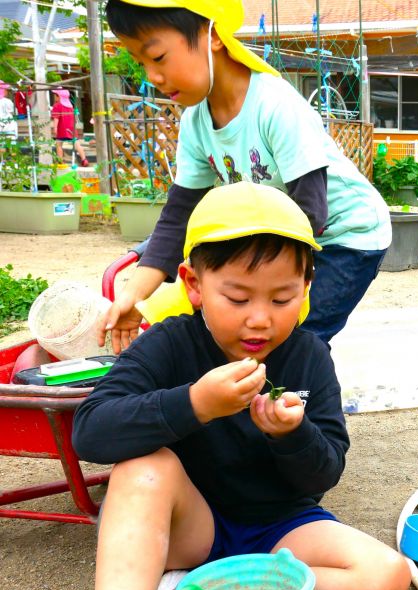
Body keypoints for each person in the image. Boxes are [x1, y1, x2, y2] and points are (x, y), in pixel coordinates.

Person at [19, 182, 411, 590]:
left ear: (307, 287)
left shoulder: (308, 354)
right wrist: (194, 405)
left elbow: (324, 473)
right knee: (143, 466)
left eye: (281, 299)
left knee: (384, 577)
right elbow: (92, 431)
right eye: (238, 297)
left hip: (279, 527)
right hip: (189, 527)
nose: (260, 320)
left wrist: (292, 435)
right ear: (195, 285)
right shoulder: (169, 345)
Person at [100, 0, 391, 355]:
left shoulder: (275, 106)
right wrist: (133, 295)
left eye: (158, 57)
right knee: (227, 325)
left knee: (295, 340)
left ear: (214, 35)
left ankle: (303, 407)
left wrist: (238, 273)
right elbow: (177, 219)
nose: (152, 76)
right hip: (280, 237)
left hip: (346, 235)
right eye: (141, 63)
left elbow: (311, 211)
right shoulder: (195, 123)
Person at [50, 89, 89, 167]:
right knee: (77, 144)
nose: (55, 97)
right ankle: (84, 159)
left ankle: (60, 161)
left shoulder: (57, 105)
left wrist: (55, 128)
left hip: (62, 129)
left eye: (55, 95)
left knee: (59, 144)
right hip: (72, 128)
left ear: (59, 97)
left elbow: (56, 118)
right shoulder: (70, 105)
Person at [0, 83, 18, 149]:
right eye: (6, 90)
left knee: (1, 144)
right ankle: (14, 157)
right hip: (9, 125)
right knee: (12, 142)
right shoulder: (7, 101)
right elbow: (14, 112)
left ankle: (2, 158)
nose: (7, 91)